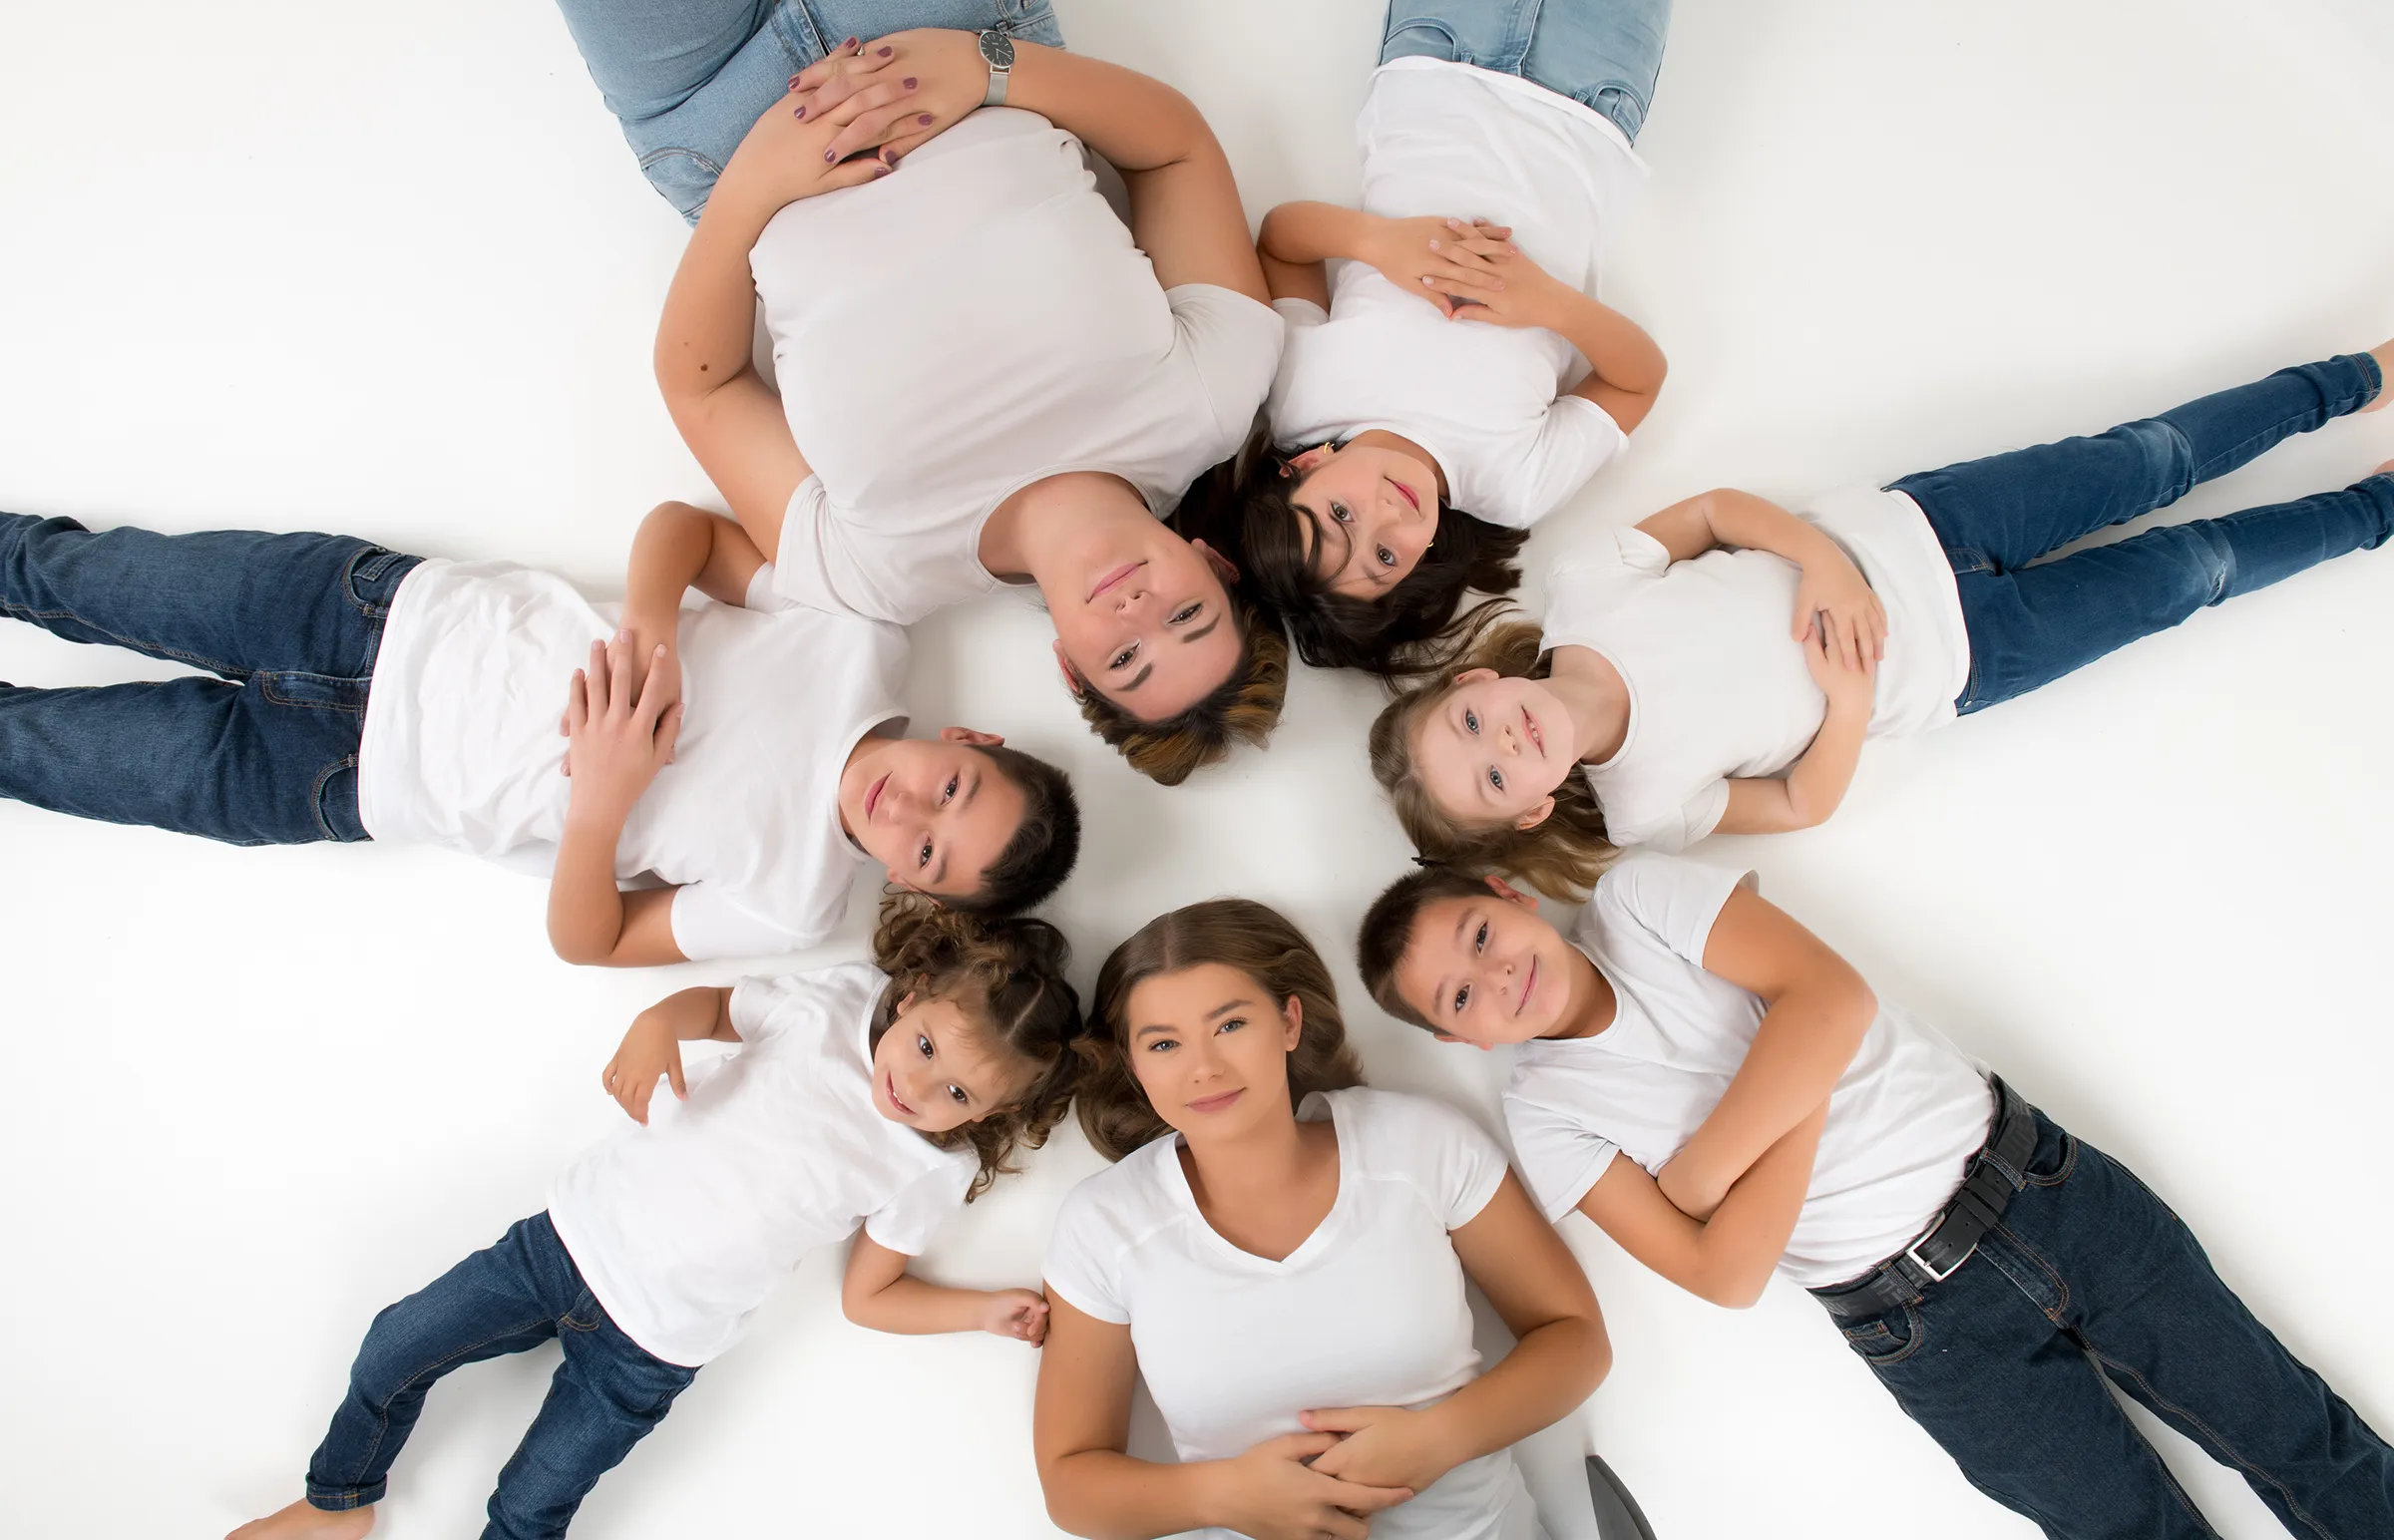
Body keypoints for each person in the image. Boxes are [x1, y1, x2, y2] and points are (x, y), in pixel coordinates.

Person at [1357, 854, 2394, 1540]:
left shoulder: (1639, 903)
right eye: (1459, 996)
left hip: (2046, 1190)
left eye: (1480, 937)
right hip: (1924, 1332)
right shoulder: (1548, 1116)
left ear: (1508, 891)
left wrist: (1709, 1172)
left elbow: (1839, 996)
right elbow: (1725, 1272)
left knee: (2302, 1435)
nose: (1495, 980)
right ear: (1460, 1040)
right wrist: (1797, 1063)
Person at [531, 0, 1292, 785]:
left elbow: (701, 387)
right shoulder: (1216, 393)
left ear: (1072, 668)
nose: (1138, 611)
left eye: (1127, 662)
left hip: (716, 112)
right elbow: (1175, 148)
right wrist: (987, 68)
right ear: (1216, 565)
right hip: (939, 4)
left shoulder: (877, 574)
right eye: (1189, 614)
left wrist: (748, 189)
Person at [1373, 340, 2394, 893]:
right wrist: (1849, 702)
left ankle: (2355, 380)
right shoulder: (1645, 807)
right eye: (1497, 777)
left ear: (1474, 681)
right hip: (1969, 655)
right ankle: (2375, 507)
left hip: (1920, 525)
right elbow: (1798, 806)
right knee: (2194, 569)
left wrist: (1820, 562)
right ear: (1535, 807)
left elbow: (1716, 513)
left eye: (1471, 725)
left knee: (2152, 456)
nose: (1503, 740)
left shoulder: (1585, 589)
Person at [226, 903, 1085, 1540]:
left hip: (653, 1348)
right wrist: (653, 1022)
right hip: (561, 1247)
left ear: (986, 1115)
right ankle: (338, 1501)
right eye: (929, 1047)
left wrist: (978, 1312)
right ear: (912, 1000)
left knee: (533, 1505)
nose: (920, 1089)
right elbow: (714, 1008)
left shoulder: (930, 1165)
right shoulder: (835, 1006)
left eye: (959, 1096)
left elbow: (871, 1296)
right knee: (393, 1345)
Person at [0, 500, 1078, 963]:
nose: (914, 814)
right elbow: (685, 530)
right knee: (59, 572)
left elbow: (591, 938)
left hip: (334, 781)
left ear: (914, 887)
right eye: (955, 790)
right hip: (376, 611)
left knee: (28, 749)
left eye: (929, 854)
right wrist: (652, 634)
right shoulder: (860, 641)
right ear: (971, 739)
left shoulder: (795, 903)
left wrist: (603, 800)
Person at [1035, 899, 1608, 1540]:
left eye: (1229, 1025)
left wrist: (1441, 1438)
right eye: (1164, 1043)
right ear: (1136, 1066)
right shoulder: (1104, 1226)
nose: (1204, 1067)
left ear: (1288, 1022)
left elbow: (1577, 1339)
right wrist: (1220, 1496)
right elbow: (1070, 1485)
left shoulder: (1421, 1144)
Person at [1195, 0, 1671, 679]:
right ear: (1416, 565)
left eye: (1340, 517)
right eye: (1383, 556)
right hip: (1595, 98)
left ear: (1306, 469)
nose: (1385, 513)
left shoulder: (1301, 405)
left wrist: (1380, 243)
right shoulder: (1512, 485)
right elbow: (1639, 381)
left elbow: (1283, 242)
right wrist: (1546, 302)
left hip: (1440, 51)